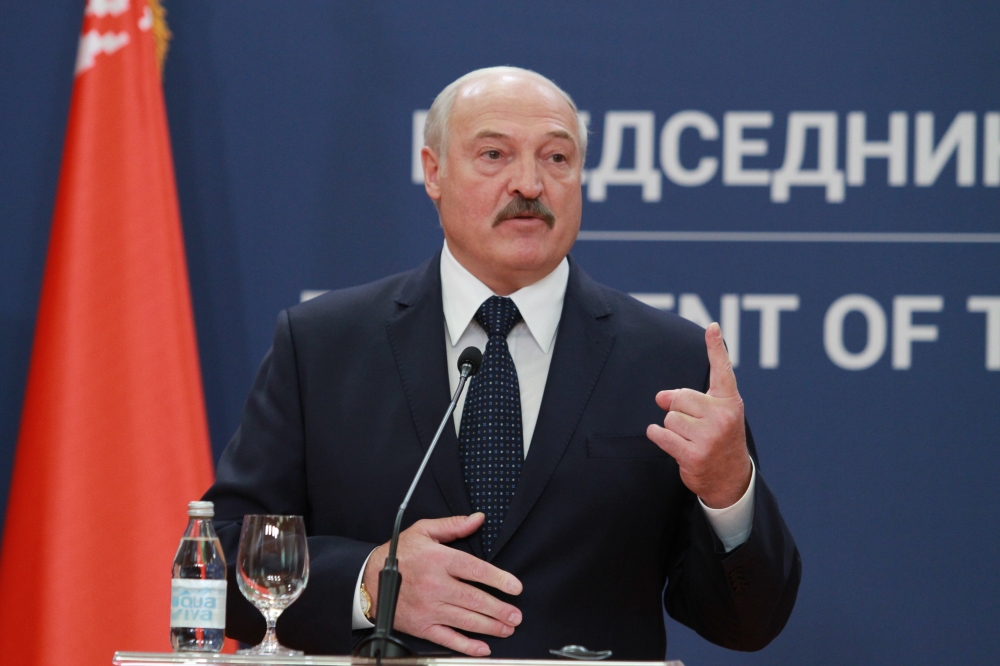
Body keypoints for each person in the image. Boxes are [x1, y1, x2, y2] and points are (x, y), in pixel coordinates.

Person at [204, 66, 800, 659]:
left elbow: (749, 625)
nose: (530, 184)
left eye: (556, 158)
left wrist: (729, 490)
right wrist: (367, 583)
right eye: (494, 155)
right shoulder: (322, 345)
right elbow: (221, 564)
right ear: (433, 172)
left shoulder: (670, 359)